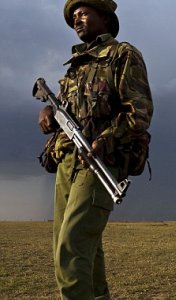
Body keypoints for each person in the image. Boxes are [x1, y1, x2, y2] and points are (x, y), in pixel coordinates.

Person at [37, 0, 153, 298]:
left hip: (99, 161)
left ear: (104, 17)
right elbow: (65, 108)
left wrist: (107, 139)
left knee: (72, 246)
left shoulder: (121, 54)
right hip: (66, 161)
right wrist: (48, 113)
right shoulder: (76, 66)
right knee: (83, 247)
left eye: (84, 13)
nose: (77, 20)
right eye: (74, 16)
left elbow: (139, 112)